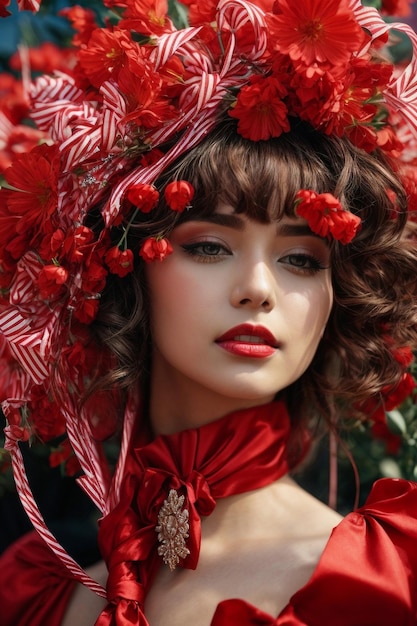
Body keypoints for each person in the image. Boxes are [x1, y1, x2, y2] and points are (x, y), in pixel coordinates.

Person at [1, 0, 417, 625]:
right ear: (122, 265)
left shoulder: (385, 582)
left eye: (302, 260)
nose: (258, 289)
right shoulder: (42, 592)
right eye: (208, 246)